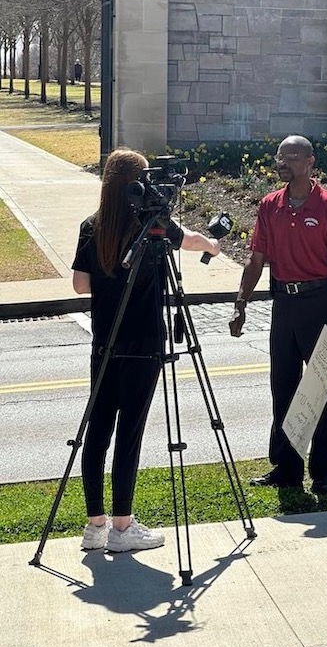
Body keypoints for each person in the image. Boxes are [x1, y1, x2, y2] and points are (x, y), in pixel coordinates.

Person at [73, 148, 220, 552]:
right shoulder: (151, 226)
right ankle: (123, 526)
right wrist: (211, 244)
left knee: (98, 432)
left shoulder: (93, 226)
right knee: (129, 434)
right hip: (143, 344)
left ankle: (95, 524)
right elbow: (188, 240)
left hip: (104, 343)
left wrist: (110, 279)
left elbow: (80, 285)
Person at [228, 135, 327, 495]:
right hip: (284, 303)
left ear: (310, 162)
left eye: (292, 157)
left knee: (320, 390)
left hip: (319, 303)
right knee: (282, 387)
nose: (282, 163)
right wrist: (241, 303)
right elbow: (255, 260)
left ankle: (325, 472)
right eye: (280, 157)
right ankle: (286, 469)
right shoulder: (270, 205)